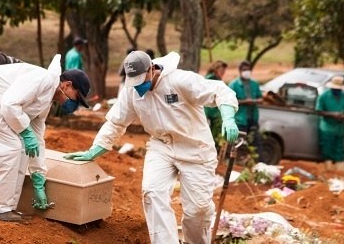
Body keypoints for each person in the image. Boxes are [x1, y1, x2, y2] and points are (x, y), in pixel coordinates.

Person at [65, 50, 239, 243]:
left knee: (197, 210)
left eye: (142, 79)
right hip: (161, 146)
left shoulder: (179, 80)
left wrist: (228, 117)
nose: (139, 87)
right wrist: (94, 150)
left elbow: (219, 91)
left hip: (195, 149)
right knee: (152, 192)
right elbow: (116, 122)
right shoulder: (132, 91)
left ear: (151, 69)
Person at [0, 54, 91, 222]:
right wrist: (25, 132)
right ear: (67, 84)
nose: (74, 104)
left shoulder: (46, 101)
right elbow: (9, 104)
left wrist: (38, 177)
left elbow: (37, 139)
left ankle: (8, 207)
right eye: (77, 97)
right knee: (8, 147)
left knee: (21, 148)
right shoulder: (43, 79)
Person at [228, 60, 264, 162]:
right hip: (240, 120)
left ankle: (259, 166)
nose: (246, 71)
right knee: (239, 145)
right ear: (240, 71)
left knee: (256, 144)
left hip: (252, 119)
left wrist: (253, 101)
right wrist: (244, 102)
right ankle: (236, 164)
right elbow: (230, 101)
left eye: (248, 69)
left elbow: (260, 99)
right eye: (244, 70)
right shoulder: (234, 84)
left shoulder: (254, 84)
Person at [315, 76, 344, 175]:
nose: (337, 91)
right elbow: (318, 111)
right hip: (327, 128)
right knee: (327, 150)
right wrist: (333, 114)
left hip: (340, 128)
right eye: (335, 89)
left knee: (340, 151)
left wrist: (343, 116)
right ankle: (328, 173)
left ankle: (340, 173)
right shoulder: (323, 96)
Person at [205, 60, 228, 146]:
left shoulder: (218, 79)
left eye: (224, 71)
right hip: (210, 110)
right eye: (222, 70)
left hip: (215, 110)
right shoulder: (211, 79)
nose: (223, 73)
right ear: (216, 69)